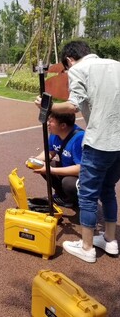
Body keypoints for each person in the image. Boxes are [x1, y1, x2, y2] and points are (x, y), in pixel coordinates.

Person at [35, 40, 120, 263]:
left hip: (99, 141)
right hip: (119, 142)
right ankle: (110, 240)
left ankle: (87, 246)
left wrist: (49, 107)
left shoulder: (79, 69)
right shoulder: (116, 64)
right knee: (108, 189)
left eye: (66, 68)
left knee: (88, 195)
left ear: (70, 60)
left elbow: (73, 105)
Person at [26, 112, 84, 208]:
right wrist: (35, 160)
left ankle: (80, 202)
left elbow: (81, 169)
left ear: (63, 125)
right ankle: (64, 197)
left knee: (68, 183)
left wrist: (50, 170)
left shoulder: (79, 138)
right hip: (68, 171)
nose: (48, 124)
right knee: (41, 164)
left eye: (51, 121)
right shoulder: (55, 134)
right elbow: (50, 152)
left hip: (82, 177)